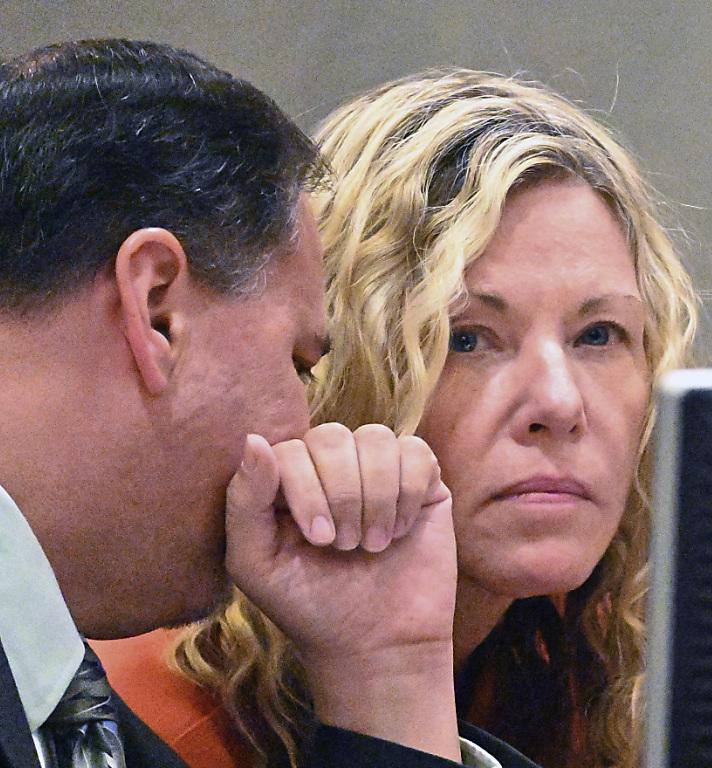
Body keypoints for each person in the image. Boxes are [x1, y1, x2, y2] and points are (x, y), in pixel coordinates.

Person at [94, 70, 700, 768]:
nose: (560, 405)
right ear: (332, 363)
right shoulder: (150, 722)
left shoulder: (598, 666)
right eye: (465, 339)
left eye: (598, 335)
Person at [0, 41, 534, 768]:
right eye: (299, 365)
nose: (304, 433)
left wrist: (386, 677)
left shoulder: (64, 705)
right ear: (157, 311)